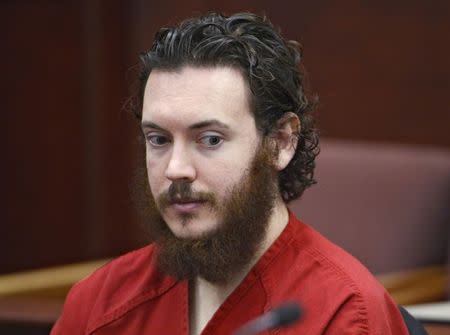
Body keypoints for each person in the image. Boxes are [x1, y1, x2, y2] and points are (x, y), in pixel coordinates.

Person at [51, 12, 409, 335]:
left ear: (281, 142)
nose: (176, 169)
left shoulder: (345, 314)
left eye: (209, 139)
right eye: (158, 139)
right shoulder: (99, 304)